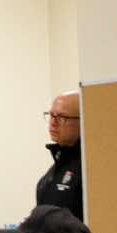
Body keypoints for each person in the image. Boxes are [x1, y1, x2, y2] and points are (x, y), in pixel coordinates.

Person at [37, 90, 84, 219]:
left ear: (82, 120)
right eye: (51, 115)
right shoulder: (59, 163)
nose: (53, 122)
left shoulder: (87, 166)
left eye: (62, 117)